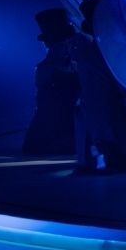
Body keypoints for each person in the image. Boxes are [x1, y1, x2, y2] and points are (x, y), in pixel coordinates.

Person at [70, 0, 126, 174]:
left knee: (110, 127)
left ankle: (113, 157)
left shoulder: (99, 47)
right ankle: (111, 158)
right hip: (100, 101)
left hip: (103, 101)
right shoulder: (93, 49)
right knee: (106, 129)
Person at [22, 9, 80, 156]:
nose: (67, 47)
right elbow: (44, 103)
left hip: (72, 122)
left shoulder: (74, 64)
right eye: (61, 44)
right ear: (49, 45)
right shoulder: (45, 69)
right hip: (54, 127)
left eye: (67, 43)